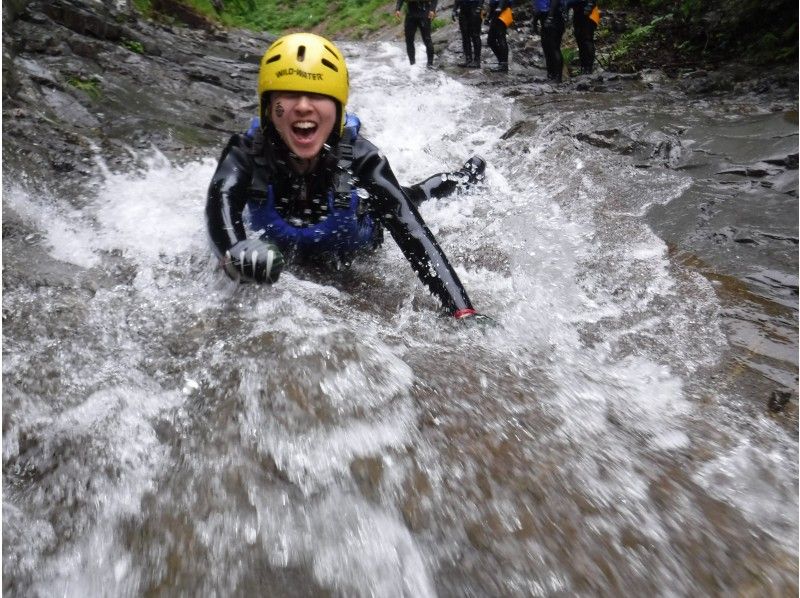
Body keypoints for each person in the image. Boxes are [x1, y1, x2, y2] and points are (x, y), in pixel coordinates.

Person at [206, 33, 491, 322]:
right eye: (289, 94)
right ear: (268, 107)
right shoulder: (243, 153)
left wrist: (462, 311)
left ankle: (463, 177)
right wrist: (235, 253)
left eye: (317, 95)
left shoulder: (361, 156)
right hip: (299, 236)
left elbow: (414, 234)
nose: (303, 106)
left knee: (410, 198)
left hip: (358, 229)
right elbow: (220, 207)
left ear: (338, 108)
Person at [395, 0, 438, 68]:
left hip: (424, 13)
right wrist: (398, 9)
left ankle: (430, 65)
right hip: (411, 14)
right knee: (409, 40)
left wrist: (432, 10)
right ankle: (412, 64)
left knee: (427, 39)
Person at [533, 0, 565, 82]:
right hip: (544, 18)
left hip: (554, 17)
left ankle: (558, 77)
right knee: (547, 48)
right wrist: (535, 22)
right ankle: (551, 75)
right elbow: (538, 8)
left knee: (554, 47)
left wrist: (550, 16)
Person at [565, 0, 598, 74]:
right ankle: (584, 66)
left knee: (587, 40)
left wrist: (589, 6)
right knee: (580, 41)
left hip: (589, 14)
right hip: (578, 13)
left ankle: (588, 67)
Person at [453, 0, 483, 68]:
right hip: (463, 10)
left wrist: (479, 7)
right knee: (465, 36)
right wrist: (454, 10)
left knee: (475, 35)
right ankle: (468, 59)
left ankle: (477, 61)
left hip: (474, 8)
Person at [486, 0, 512, 72]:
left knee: (501, 38)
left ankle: (503, 64)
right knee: (490, 41)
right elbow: (492, 4)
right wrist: (489, 17)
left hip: (503, 13)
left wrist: (500, 7)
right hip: (495, 13)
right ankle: (501, 62)